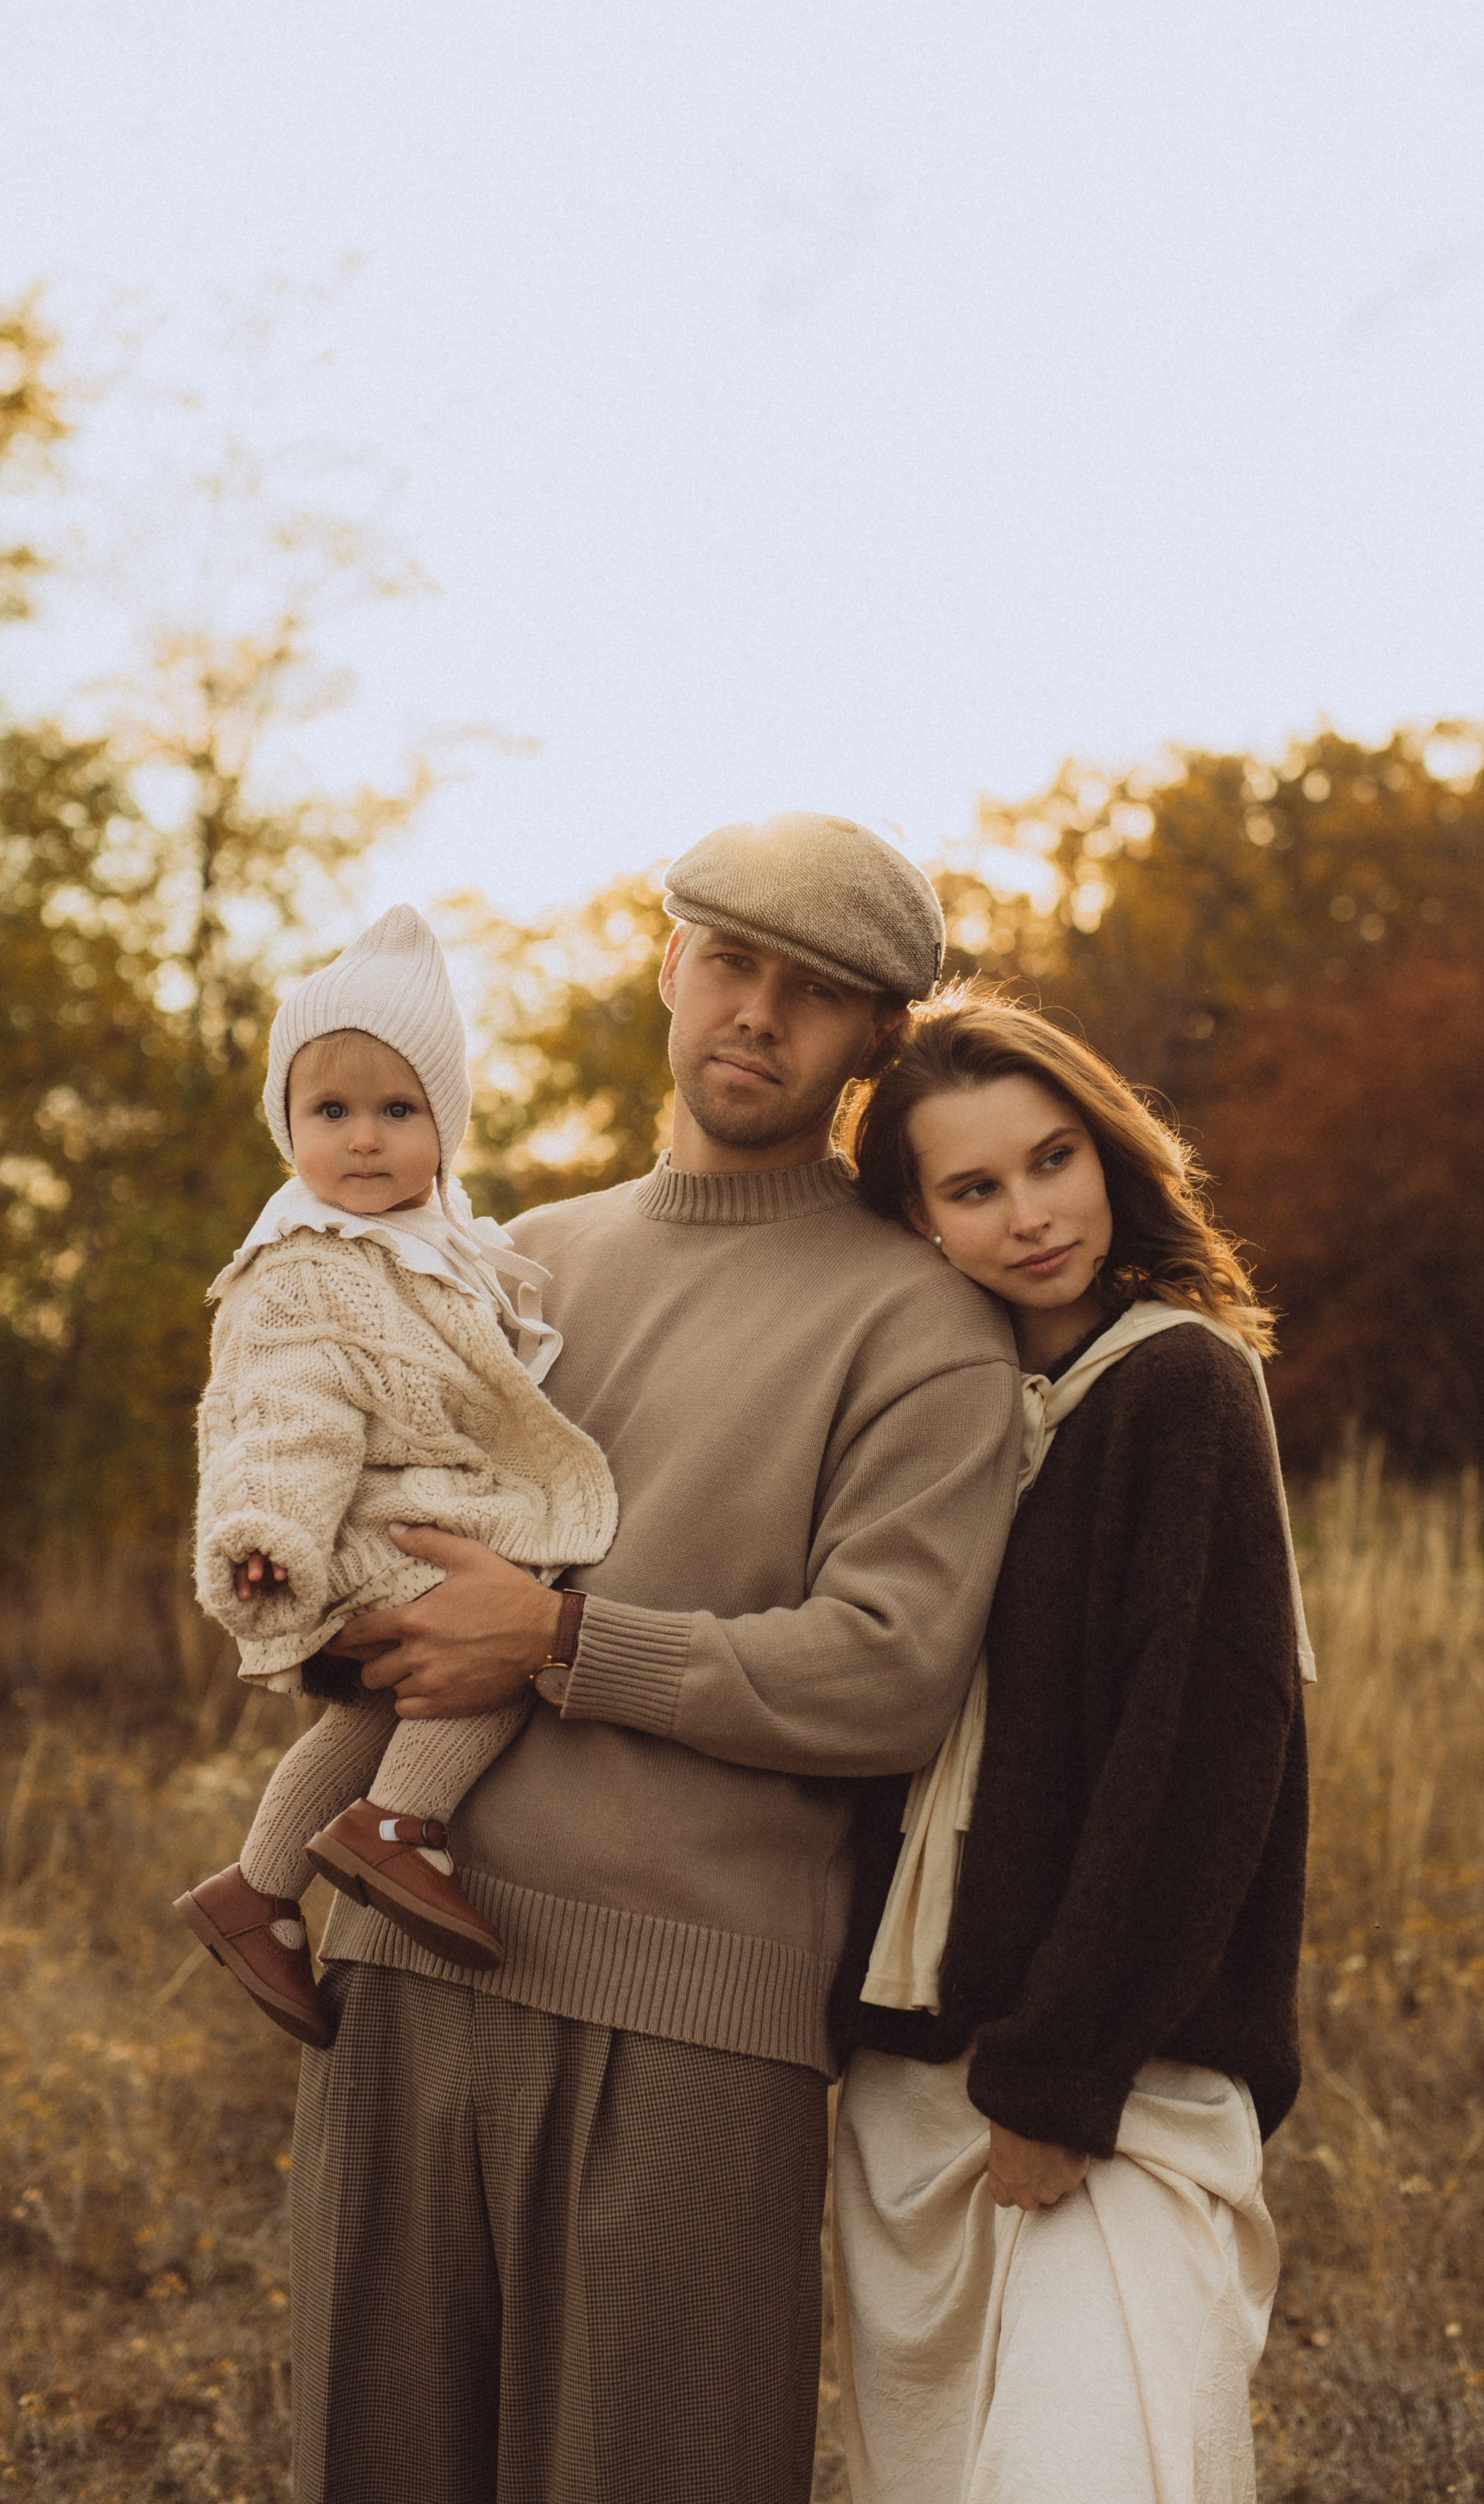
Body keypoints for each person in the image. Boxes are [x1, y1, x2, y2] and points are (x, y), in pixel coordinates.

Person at [289, 815, 1025, 2504]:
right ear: (667, 964)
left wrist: (560, 1641)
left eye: (816, 994)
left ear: (873, 1042)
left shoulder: (920, 1326)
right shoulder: (518, 1253)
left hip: (692, 2018)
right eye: (733, 964)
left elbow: (884, 1674)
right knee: (371, 2465)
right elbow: (377, 1552)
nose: (758, 1015)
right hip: (404, 1968)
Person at [829, 993, 1315, 2504]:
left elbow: (1195, 1757)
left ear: (1106, 1153)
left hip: (1111, 2077)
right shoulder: (937, 1407)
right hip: (911, 2073)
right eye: (973, 1189)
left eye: (1052, 1160)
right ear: (912, 1221)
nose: (1030, 1215)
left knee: (1085, 2471)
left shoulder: (1179, 1386)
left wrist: (1061, 2079)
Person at [175, 906, 617, 2045]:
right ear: (288, 1129)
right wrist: (266, 1530)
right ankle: (398, 1829)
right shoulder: (305, 1268)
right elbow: (283, 1416)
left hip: (404, 1524)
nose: (364, 1140)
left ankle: (257, 1892)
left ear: (444, 1128)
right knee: (495, 1655)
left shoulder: (442, 1243)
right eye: (332, 1111)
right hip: (358, 1534)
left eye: (397, 1110)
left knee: (380, 1713)